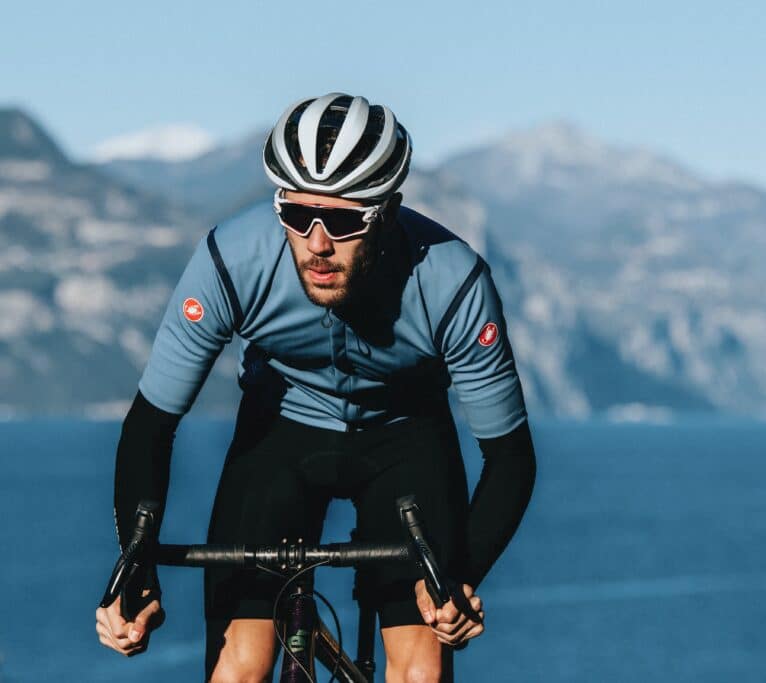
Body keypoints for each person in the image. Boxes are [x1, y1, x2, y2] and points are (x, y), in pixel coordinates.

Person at [94, 92, 537, 682]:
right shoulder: (233, 258)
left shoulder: (454, 281)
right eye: (298, 217)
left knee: (420, 669)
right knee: (239, 670)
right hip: (280, 433)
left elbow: (510, 457)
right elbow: (151, 424)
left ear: (387, 210)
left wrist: (460, 580)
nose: (318, 243)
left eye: (346, 220)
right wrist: (134, 570)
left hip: (404, 441)